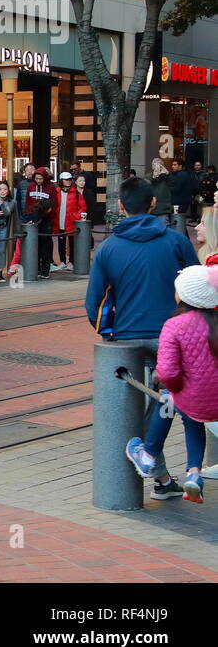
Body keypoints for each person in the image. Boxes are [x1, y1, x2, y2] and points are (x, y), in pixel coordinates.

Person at [86, 176, 200, 499]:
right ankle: (160, 476)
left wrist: (110, 334)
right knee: (165, 404)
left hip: (126, 341)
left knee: (143, 407)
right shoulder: (176, 241)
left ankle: (157, 473)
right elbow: (197, 287)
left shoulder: (108, 249)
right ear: (153, 204)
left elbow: (93, 303)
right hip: (172, 337)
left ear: (121, 207)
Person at [125, 265, 218, 503]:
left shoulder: (174, 325)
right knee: (191, 417)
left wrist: (170, 385)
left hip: (192, 398)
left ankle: (148, 455)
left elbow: (167, 371)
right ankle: (193, 473)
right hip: (212, 402)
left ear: (183, 295)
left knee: (167, 397)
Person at [20, 167, 58, 279]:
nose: (39, 181)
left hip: (46, 218)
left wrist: (48, 213)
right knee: (33, 244)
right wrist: (27, 216)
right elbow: (27, 201)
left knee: (45, 245)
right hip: (33, 217)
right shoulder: (31, 186)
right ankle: (35, 269)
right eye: (37, 178)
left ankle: (45, 270)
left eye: (41, 178)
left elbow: (54, 204)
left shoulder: (51, 187)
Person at [53, 172, 87, 271]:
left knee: (72, 243)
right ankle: (62, 261)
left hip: (71, 221)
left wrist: (75, 216)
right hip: (59, 221)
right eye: (66, 179)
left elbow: (83, 207)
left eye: (69, 179)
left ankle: (71, 262)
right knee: (61, 242)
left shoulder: (76, 193)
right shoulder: (57, 192)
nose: (68, 181)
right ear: (61, 181)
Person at [169, 158, 199, 224]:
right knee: (179, 220)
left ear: (180, 166)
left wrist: (168, 188)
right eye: (172, 165)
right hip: (183, 200)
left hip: (179, 201)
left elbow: (176, 189)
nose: (172, 166)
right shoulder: (186, 174)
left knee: (177, 220)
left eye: (175, 165)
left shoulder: (181, 175)